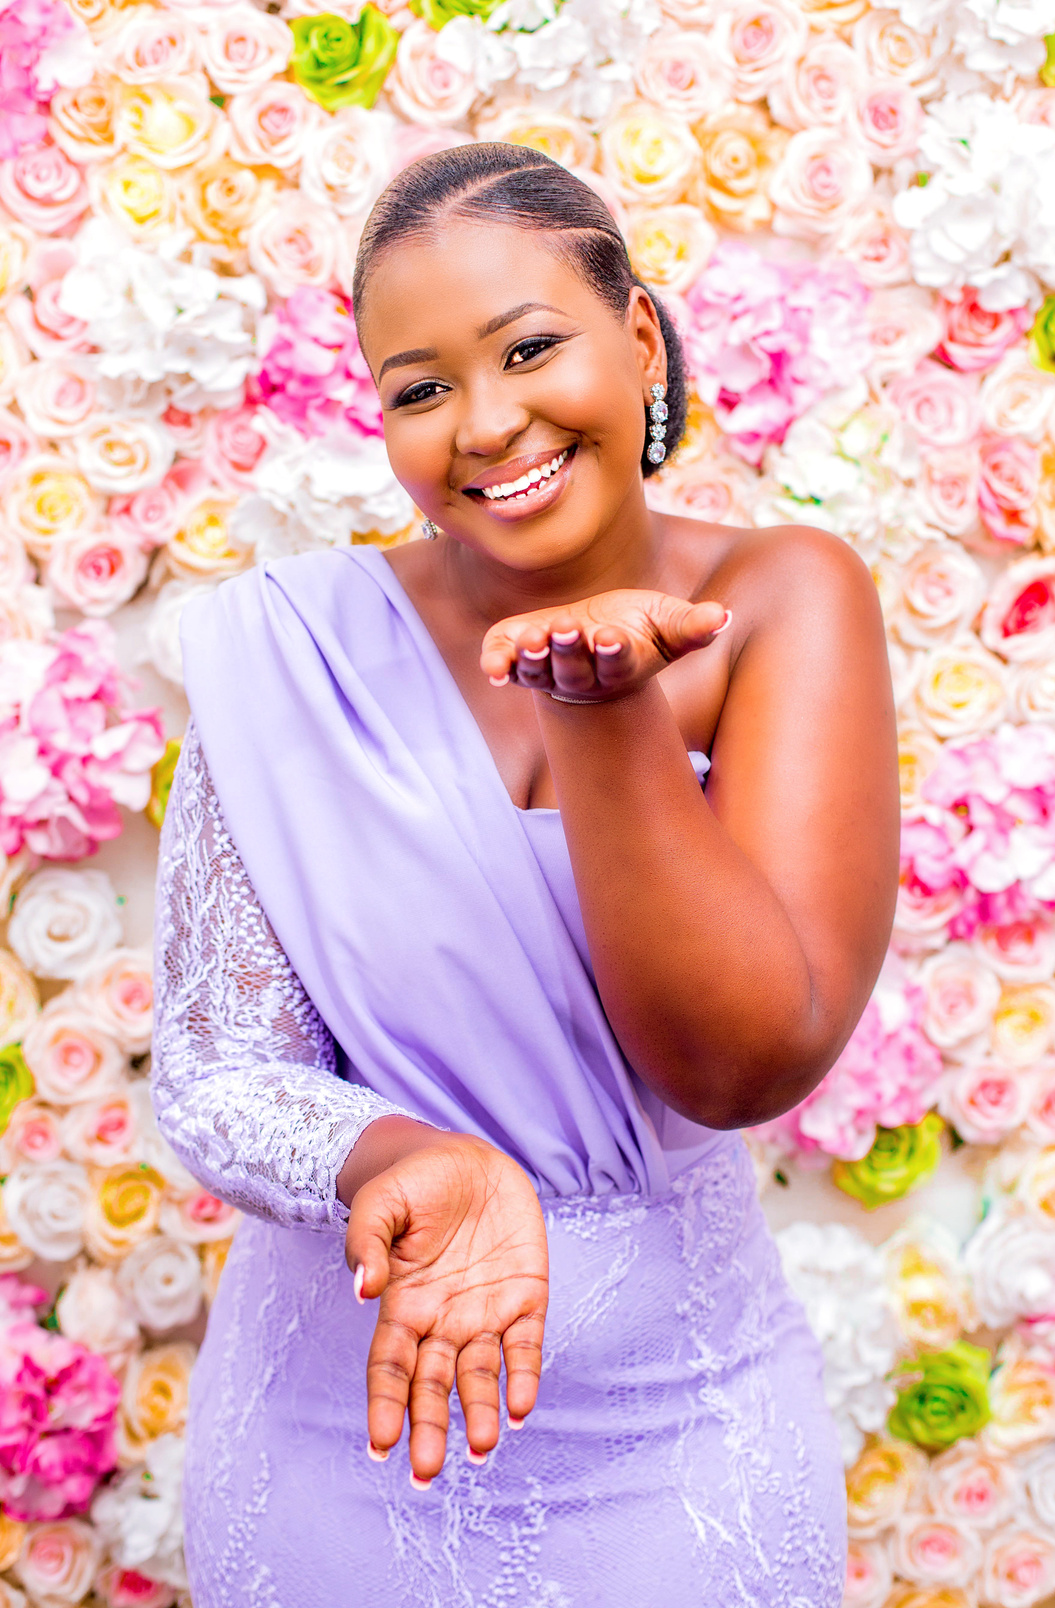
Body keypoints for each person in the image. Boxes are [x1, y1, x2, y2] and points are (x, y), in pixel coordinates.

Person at [151, 142, 898, 1608]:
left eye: (530, 349)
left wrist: (606, 712)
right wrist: (413, 1160)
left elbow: (741, 1063)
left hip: (679, 1456)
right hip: (338, 1443)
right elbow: (214, 1072)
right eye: (420, 389)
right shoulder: (286, 654)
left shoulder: (781, 599)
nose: (486, 425)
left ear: (638, 337)